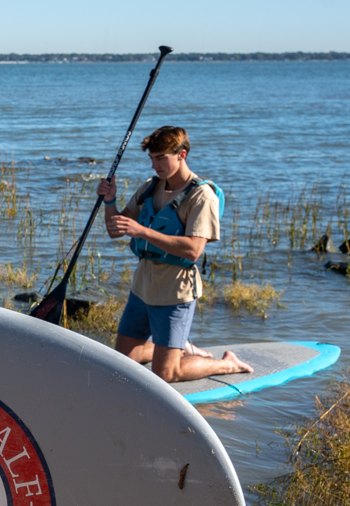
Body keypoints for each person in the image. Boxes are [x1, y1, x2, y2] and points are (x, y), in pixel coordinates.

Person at [96, 126, 252, 383]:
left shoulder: (202, 197)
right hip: (142, 287)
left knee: (166, 374)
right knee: (122, 362)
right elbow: (116, 229)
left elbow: (193, 250)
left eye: (161, 158)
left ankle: (227, 364)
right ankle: (179, 348)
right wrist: (110, 202)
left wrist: (143, 232)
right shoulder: (150, 187)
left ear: (182, 154)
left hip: (175, 291)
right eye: (152, 159)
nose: (154, 166)